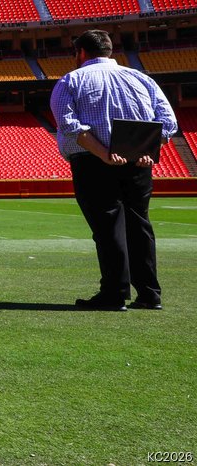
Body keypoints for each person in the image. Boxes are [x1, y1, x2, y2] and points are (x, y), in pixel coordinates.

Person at [49, 30, 177, 311]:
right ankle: (149, 292)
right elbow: (168, 122)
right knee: (139, 225)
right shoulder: (141, 78)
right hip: (138, 163)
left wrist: (104, 154)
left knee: (108, 228)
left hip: (93, 162)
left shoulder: (71, 80)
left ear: (81, 52)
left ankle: (114, 292)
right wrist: (148, 150)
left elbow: (70, 125)